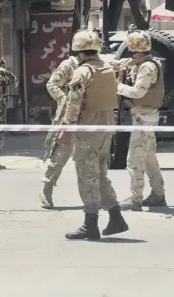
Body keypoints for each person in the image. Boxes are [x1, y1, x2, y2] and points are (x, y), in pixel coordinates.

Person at [59, 29, 128, 240]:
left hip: (87, 131)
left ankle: (90, 225)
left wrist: (66, 130)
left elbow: (74, 104)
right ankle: (116, 218)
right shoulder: (107, 68)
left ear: (79, 52)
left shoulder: (82, 72)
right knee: (101, 176)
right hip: (106, 130)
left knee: (87, 178)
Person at [110, 30, 167, 210]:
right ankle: (158, 195)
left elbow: (138, 92)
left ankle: (135, 199)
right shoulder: (140, 62)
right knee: (149, 159)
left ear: (133, 48)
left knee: (134, 159)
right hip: (144, 115)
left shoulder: (147, 67)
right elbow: (121, 63)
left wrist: (119, 87)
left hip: (144, 117)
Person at [40, 48, 81, 208]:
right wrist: (65, 99)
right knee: (60, 153)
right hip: (69, 115)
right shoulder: (69, 65)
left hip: (89, 116)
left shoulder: (95, 65)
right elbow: (52, 84)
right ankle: (47, 189)